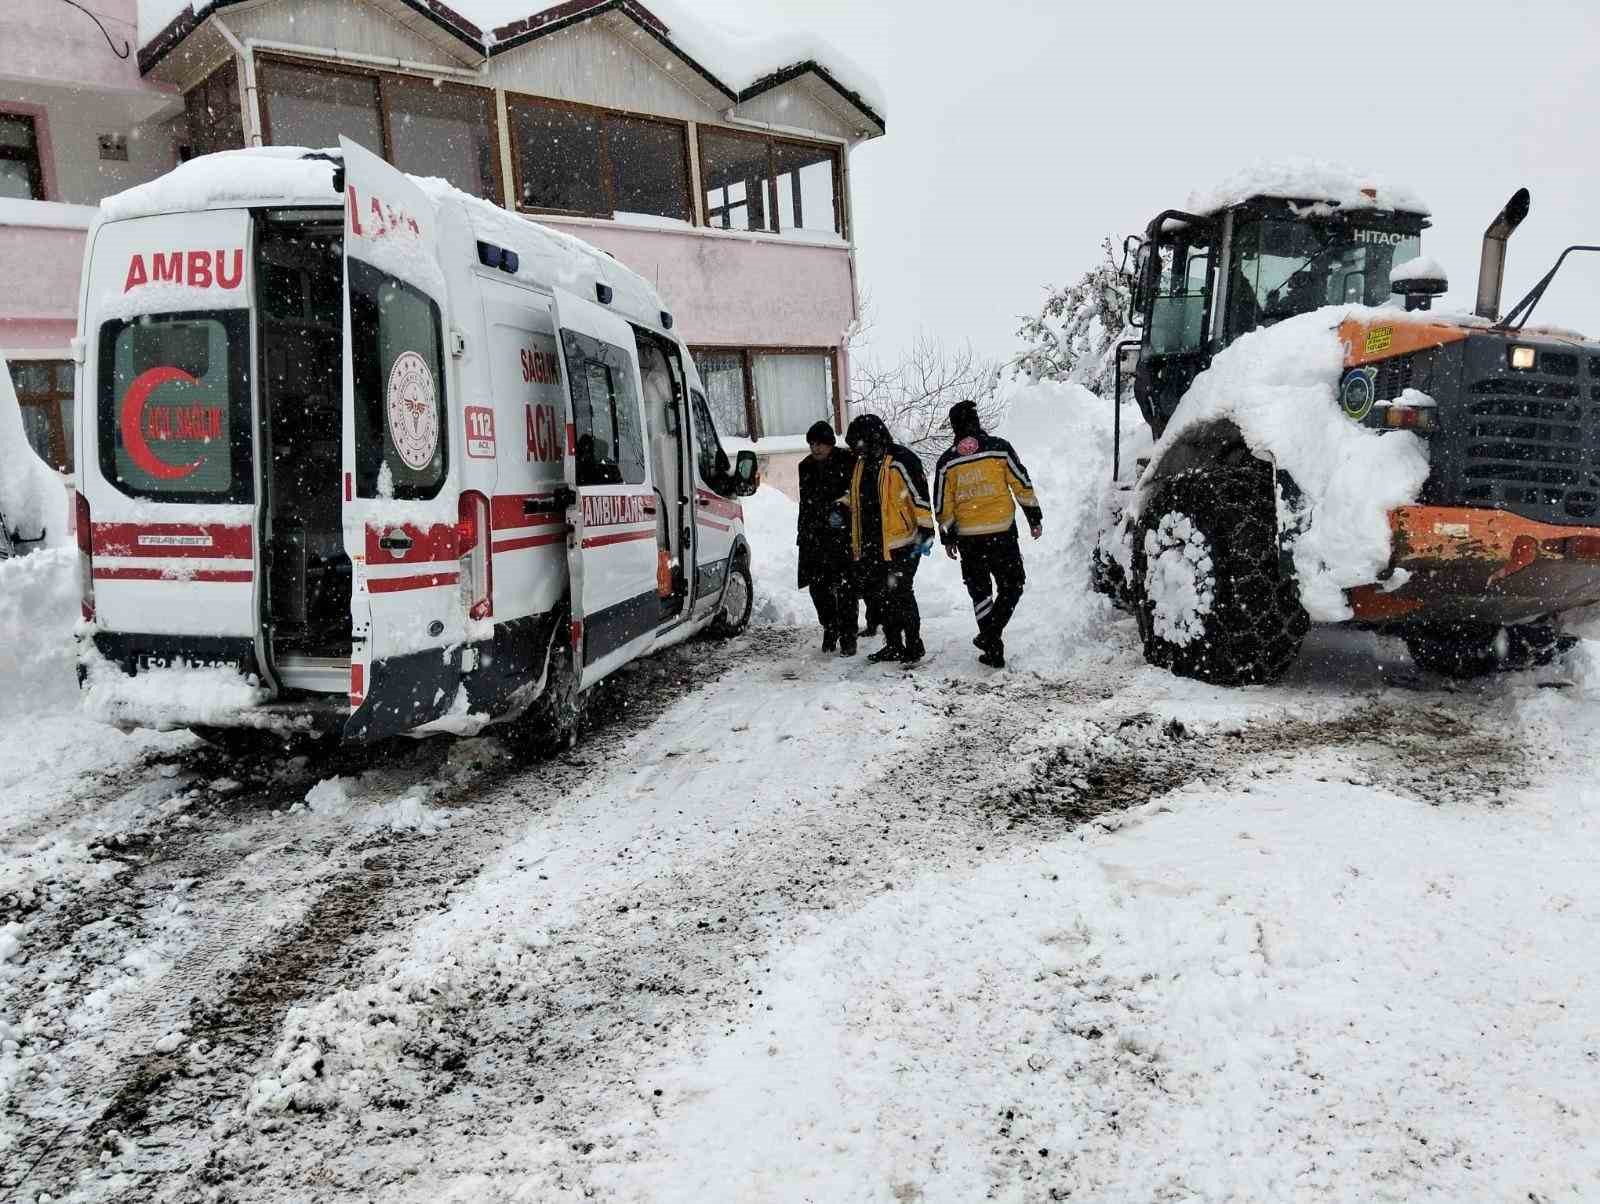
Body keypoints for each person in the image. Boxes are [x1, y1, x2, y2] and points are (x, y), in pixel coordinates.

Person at [934, 399, 1042, 668]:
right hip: (1002, 533)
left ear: (954, 426)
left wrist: (948, 536)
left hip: (969, 538)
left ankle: (992, 646)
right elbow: (1021, 483)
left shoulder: (948, 460)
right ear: (977, 420)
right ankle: (992, 634)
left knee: (980, 592)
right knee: (1013, 585)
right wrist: (1034, 517)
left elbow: (941, 503)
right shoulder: (999, 448)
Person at [844, 413, 934, 665]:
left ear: (874, 439)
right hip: (873, 543)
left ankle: (914, 644)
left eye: (860, 446)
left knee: (901, 593)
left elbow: (919, 498)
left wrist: (925, 532)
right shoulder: (862, 464)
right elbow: (856, 499)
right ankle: (893, 644)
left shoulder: (901, 461)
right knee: (882, 596)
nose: (858, 453)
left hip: (902, 542)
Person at [796, 420, 858, 656]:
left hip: (842, 534)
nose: (816, 448)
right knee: (818, 588)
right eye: (812, 444)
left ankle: (848, 635)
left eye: (820, 444)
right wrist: (803, 533)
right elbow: (805, 502)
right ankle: (829, 626)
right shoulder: (806, 466)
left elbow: (855, 493)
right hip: (814, 535)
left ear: (830, 443)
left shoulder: (848, 460)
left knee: (845, 588)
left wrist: (841, 507)